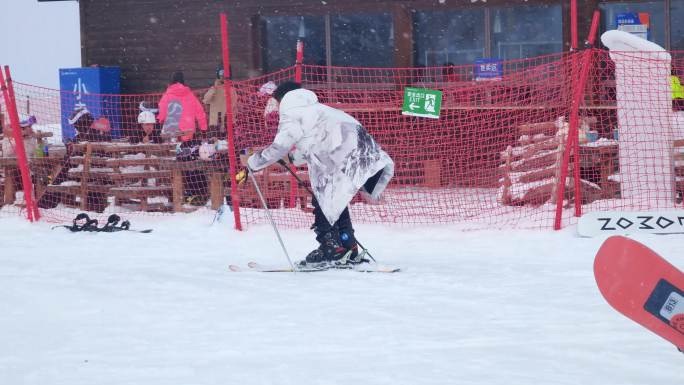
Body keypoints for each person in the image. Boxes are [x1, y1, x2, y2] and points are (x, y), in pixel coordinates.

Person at [245, 82, 394, 267]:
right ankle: (348, 246)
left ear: (282, 98)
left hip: (340, 157)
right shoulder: (318, 109)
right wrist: (293, 158)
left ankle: (331, 248)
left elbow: (280, 145)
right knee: (335, 200)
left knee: (324, 199)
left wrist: (253, 162)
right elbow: (320, 138)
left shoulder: (292, 111)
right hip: (363, 153)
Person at [158, 71, 208, 142]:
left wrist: (160, 121)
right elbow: (201, 113)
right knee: (187, 151)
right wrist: (203, 129)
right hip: (189, 132)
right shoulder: (191, 96)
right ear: (183, 81)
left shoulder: (167, 96)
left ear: (172, 81)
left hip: (172, 132)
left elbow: (161, 114)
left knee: (173, 151)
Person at [202, 65, 237, 139]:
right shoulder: (214, 89)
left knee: (229, 146)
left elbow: (234, 106)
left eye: (225, 73)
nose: (222, 76)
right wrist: (215, 88)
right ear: (218, 75)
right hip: (215, 123)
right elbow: (205, 100)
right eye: (221, 73)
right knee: (215, 147)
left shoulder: (232, 89)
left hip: (228, 123)